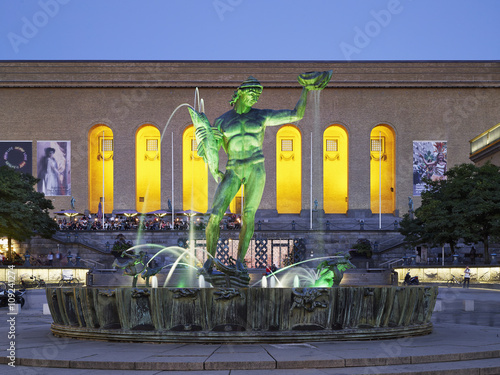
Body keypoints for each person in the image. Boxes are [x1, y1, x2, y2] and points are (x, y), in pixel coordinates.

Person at [189, 72, 330, 275]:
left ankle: (239, 261)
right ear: (240, 93)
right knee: (214, 215)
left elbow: (296, 114)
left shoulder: (261, 115)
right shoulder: (222, 121)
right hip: (233, 168)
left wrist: (306, 90)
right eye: (252, 93)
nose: (255, 97)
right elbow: (210, 150)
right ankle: (209, 262)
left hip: (256, 168)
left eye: (258, 93)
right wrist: (203, 139)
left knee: (248, 215)